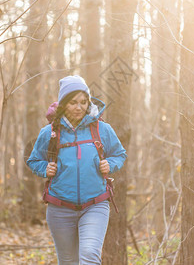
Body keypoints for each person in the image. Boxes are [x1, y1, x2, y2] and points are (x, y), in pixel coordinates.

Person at [27, 75, 127, 264]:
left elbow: (119, 154)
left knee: (89, 254)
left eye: (83, 102)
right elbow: (33, 160)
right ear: (63, 104)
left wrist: (110, 164)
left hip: (95, 205)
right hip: (59, 208)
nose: (79, 107)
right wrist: (44, 168)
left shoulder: (102, 129)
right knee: (68, 261)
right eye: (73, 102)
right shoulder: (49, 132)